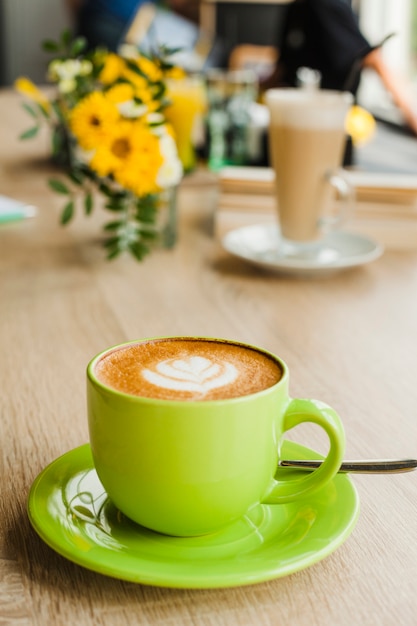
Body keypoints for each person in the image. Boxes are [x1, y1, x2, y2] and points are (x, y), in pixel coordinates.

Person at [264, 0, 417, 135]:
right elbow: (281, 68)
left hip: (329, 122)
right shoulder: (296, 9)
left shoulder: (327, 5)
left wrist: (411, 116)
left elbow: (371, 58)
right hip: (294, 120)